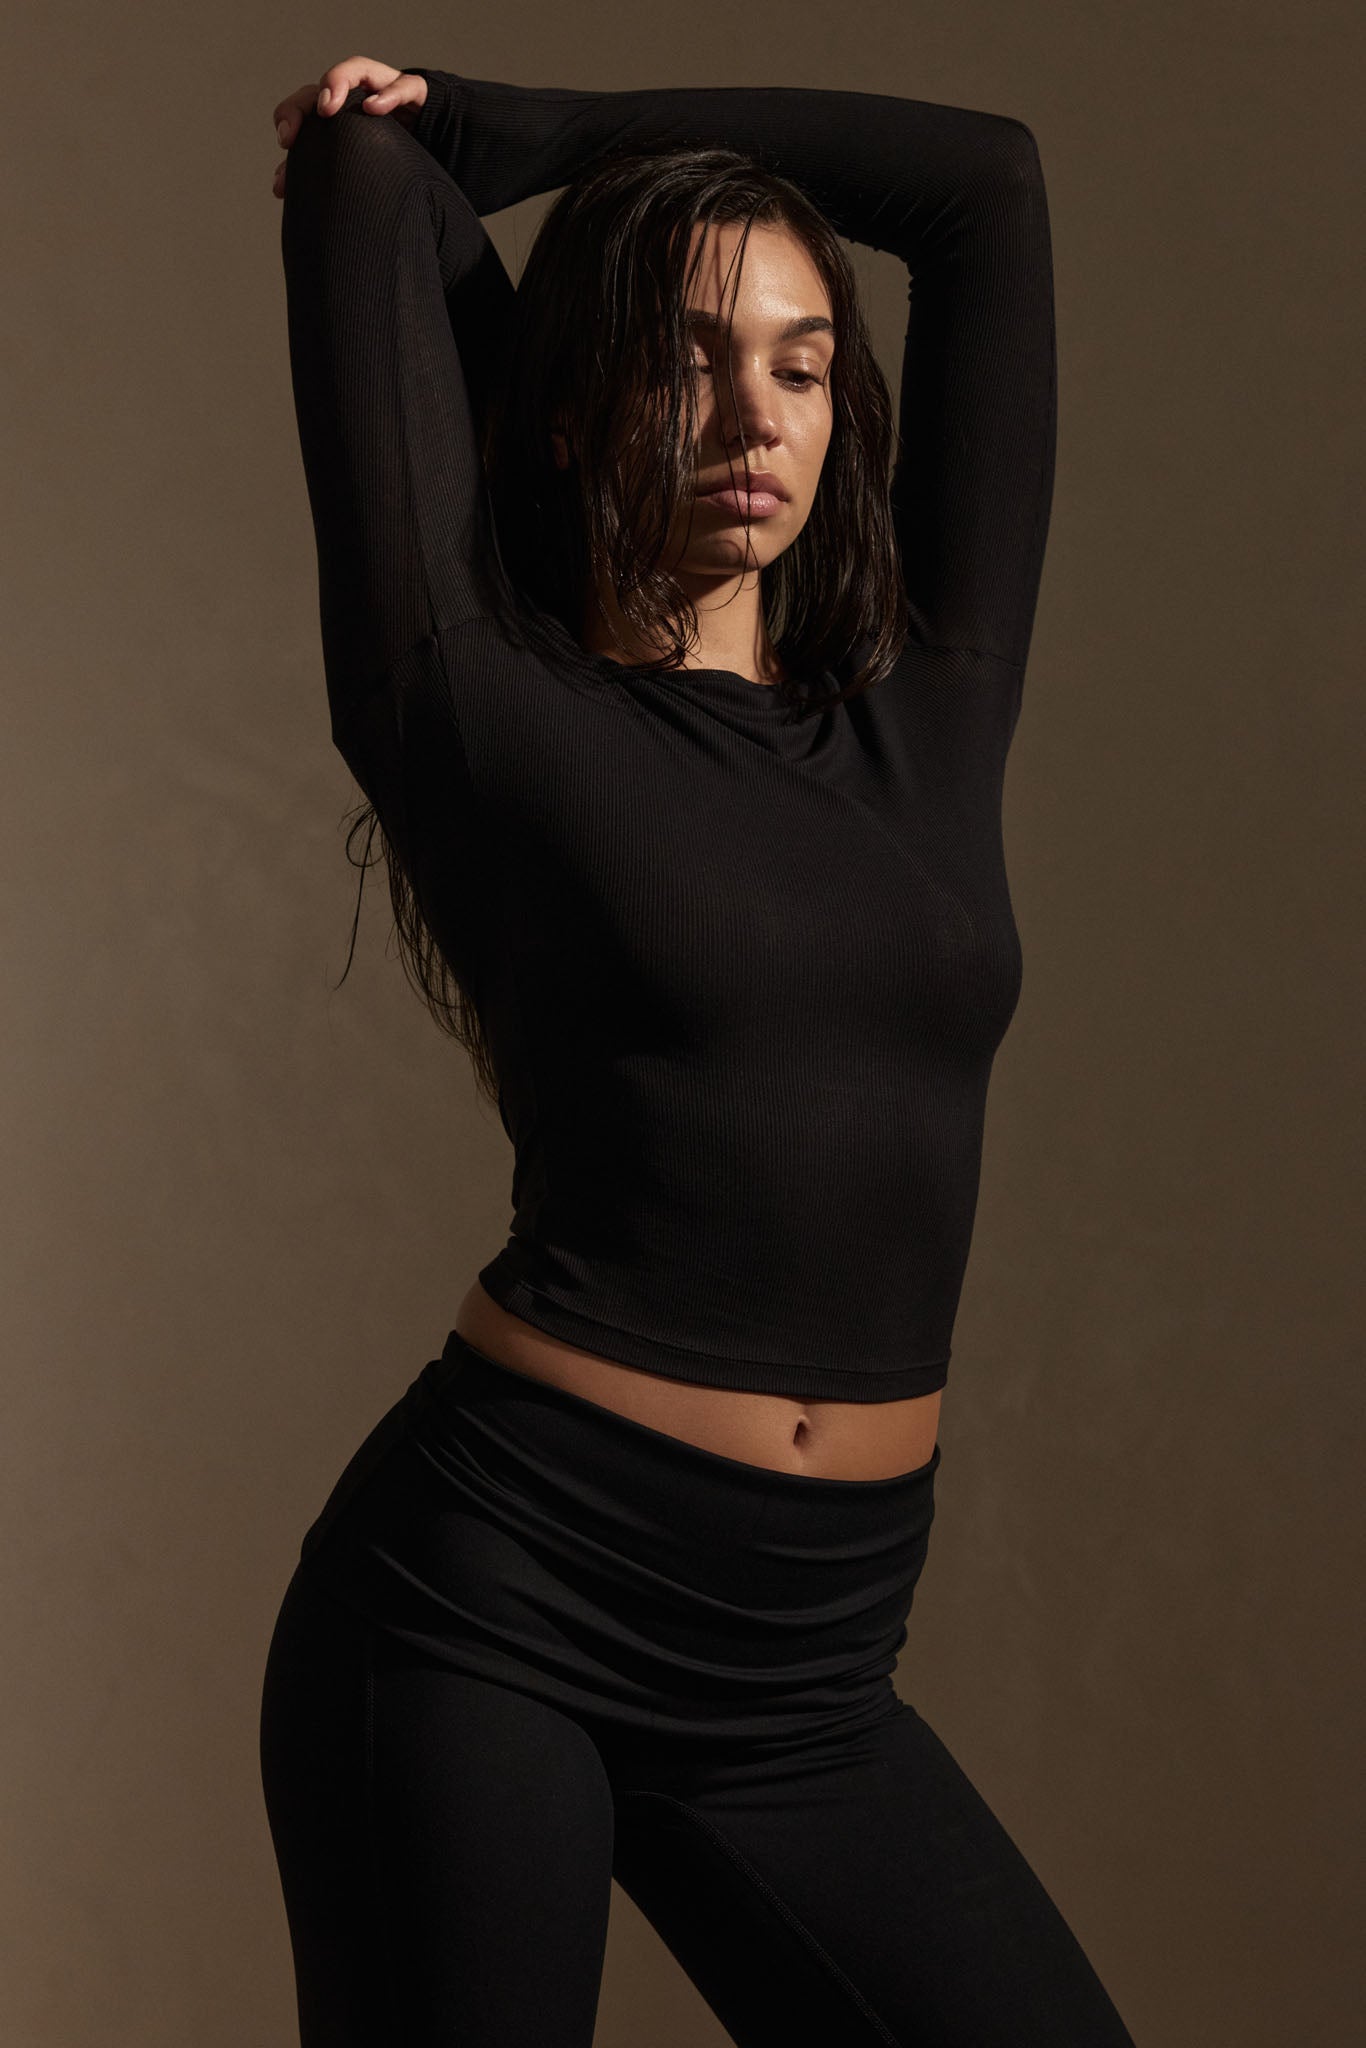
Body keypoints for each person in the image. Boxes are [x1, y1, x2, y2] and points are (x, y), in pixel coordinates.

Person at [258, 54, 1135, 2047]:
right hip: (492, 1611)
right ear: (565, 410)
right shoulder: (470, 702)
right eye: (682, 360)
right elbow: (370, 185)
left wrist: (544, 131)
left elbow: (986, 181)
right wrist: (413, 148)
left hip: (806, 1662)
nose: (754, 416)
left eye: (803, 364)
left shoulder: (927, 711)